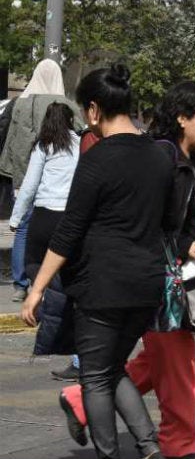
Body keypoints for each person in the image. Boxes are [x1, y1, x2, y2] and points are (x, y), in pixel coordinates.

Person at [59, 81, 195, 459]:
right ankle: (176, 447)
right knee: (177, 369)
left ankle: (80, 400)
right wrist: (185, 240)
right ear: (181, 118)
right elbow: (149, 215)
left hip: (175, 275)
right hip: (156, 275)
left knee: (159, 362)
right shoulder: (161, 157)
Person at [20, 64, 172, 459]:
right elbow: (170, 223)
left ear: (92, 110)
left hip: (103, 285)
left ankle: (109, 453)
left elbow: (69, 232)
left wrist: (36, 289)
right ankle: (149, 446)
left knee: (94, 377)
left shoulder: (97, 158)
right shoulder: (159, 157)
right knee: (112, 366)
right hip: (147, 284)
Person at [10, 103, 81, 381]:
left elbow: (29, 186)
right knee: (64, 277)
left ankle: (38, 303)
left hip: (44, 216)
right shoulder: (79, 143)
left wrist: (16, 218)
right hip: (70, 217)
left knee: (33, 265)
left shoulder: (45, 145)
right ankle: (52, 307)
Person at [3, 59, 82, 302]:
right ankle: (53, 285)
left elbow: (14, 141)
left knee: (24, 232)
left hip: (25, 176)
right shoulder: (67, 104)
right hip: (59, 191)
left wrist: (17, 177)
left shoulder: (21, 104)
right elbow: (80, 133)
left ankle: (20, 284)